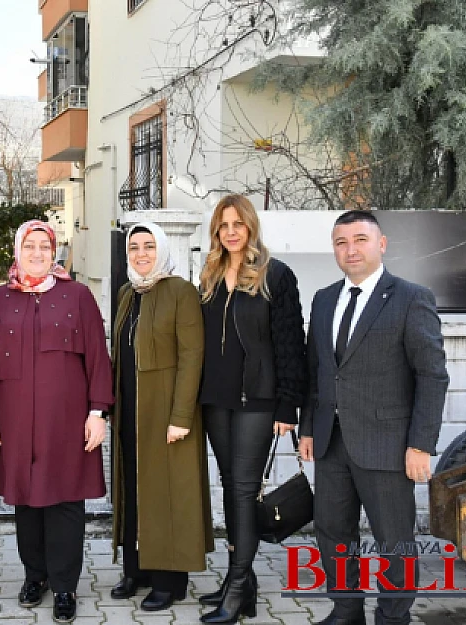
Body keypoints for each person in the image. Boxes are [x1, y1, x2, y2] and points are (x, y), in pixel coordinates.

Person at [299, 210, 448, 625]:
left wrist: (420, 445)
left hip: (389, 444)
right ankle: (346, 611)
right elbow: (319, 371)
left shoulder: (410, 298)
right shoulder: (324, 298)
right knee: (331, 533)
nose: (351, 250)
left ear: (381, 244)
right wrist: (308, 427)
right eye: (341, 242)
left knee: (394, 540)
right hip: (331, 442)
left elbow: (432, 375)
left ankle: (392, 617)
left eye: (360, 239)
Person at [0, 220, 113, 624]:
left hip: (66, 423)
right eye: (28, 246)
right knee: (26, 502)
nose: (36, 254)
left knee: (65, 500)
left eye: (43, 247)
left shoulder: (77, 296)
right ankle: (36, 576)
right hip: (13, 423)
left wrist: (97, 413)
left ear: (54, 252)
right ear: (18, 250)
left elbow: (99, 360)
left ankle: (65, 586)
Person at [196, 194, 308, 623]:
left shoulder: (276, 276)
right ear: (216, 231)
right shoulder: (207, 276)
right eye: (223, 224)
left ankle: (239, 587)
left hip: (258, 402)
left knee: (244, 490)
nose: (231, 231)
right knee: (231, 487)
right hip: (217, 400)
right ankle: (238, 581)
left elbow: (290, 344)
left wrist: (288, 405)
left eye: (237, 223)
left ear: (250, 226)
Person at [109, 222, 213, 612]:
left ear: (162, 249)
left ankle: (170, 581)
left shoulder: (180, 292)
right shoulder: (126, 293)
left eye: (149, 246)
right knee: (135, 490)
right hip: (130, 411)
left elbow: (192, 357)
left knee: (168, 494)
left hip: (167, 412)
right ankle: (137, 570)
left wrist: (181, 415)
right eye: (134, 247)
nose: (141, 254)